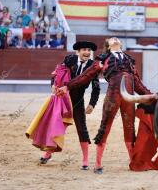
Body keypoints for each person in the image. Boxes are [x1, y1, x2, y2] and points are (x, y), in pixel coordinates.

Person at [57, 37, 151, 174]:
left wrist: (151, 96)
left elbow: (137, 83)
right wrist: (68, 86)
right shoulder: (102, 60)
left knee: (130, 129)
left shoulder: (129, 60)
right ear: (108, 46)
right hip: (113, 96)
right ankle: (97, 164)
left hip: (129, 98)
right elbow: (86, 75)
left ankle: (133, 162)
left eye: (116, 38)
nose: (115, 39)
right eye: (112, 39)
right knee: (105, 128)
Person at [42, 41, 100, 170]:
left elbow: (96, 87)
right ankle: (48, 152)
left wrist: (92, 104)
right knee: (57, 125)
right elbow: (57, 73)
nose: (87, 52)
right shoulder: (69, 59)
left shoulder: (93, 66)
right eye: (84, 49)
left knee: (81, 128)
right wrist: (52, 84)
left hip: (78, 100)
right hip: (63, 99)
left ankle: (85, 160)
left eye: (89, 50)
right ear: (78, 51)